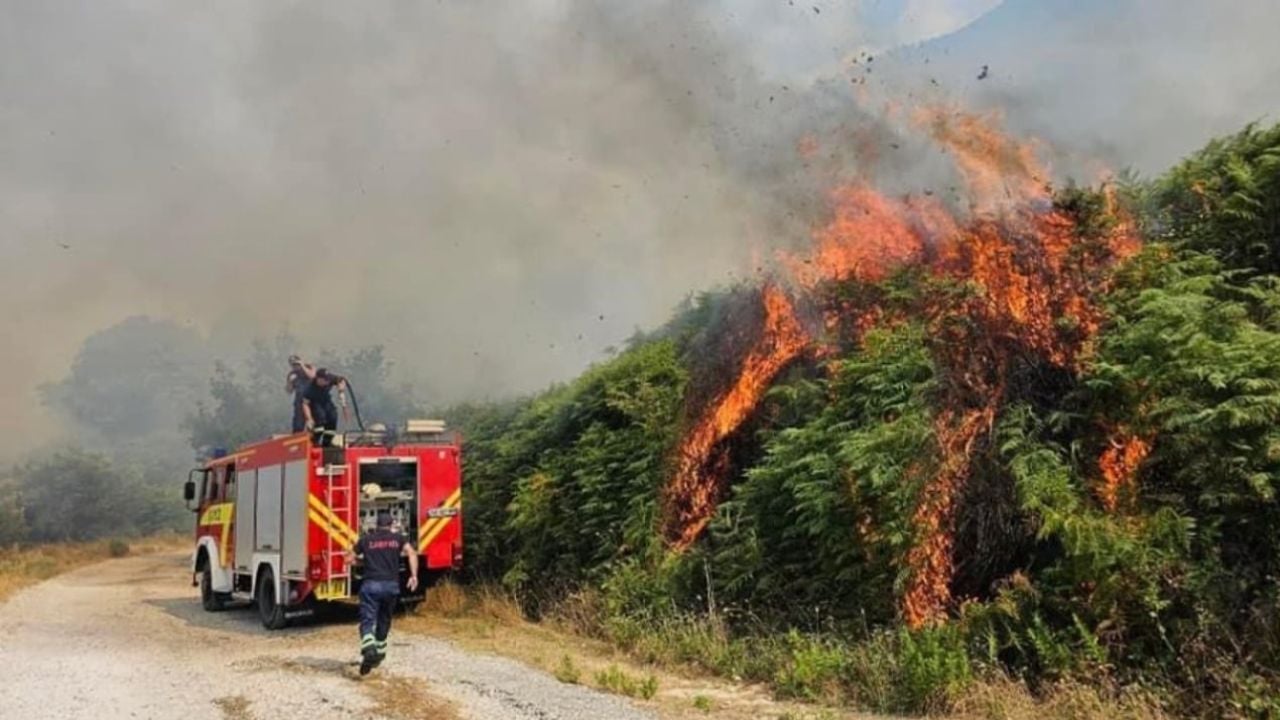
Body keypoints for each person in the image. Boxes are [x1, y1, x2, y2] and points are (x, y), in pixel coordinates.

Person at [354, 510, 419, 675]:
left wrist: (364, 561)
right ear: (391, 525)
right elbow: (412, 553)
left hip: (371, 586)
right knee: (384, 620)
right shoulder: (398, 539)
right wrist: (413, 576)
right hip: (391, 587)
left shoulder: (366, 540)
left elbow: (349, 559)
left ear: (376, 525)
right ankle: (379, 653)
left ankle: (369, 648)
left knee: (368, 620)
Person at [301, 368, 349, 441]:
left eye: (328, 379)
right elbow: (305, 404)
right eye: (325, 380)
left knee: (333, 417)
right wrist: (309, 419)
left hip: (326, 401)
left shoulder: (329, 379)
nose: (328, 381)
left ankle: (327, 444)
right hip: (315, 403)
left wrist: (341, 388)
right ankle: (314, 442)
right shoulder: (309, 389)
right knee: (320, 419)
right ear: (318, 379)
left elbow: (341, 379)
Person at [285, 355, 316, 433]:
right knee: (298, 424)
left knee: (314, 421)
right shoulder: (292, 374)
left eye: (296, 364)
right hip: (299, 401)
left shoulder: (309, 368)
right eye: (293, 365)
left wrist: (302, 366)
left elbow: (312, 376)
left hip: (312, 400)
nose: (295, 367)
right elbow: (289, 391)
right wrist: (290, 382)